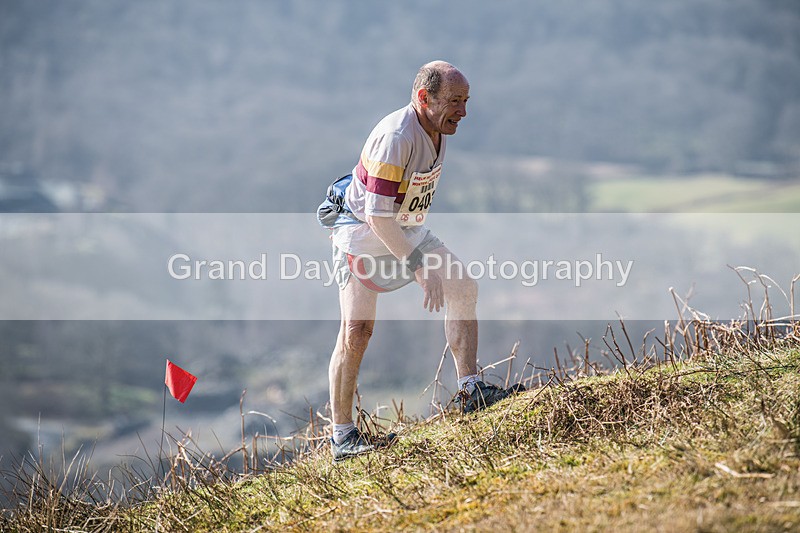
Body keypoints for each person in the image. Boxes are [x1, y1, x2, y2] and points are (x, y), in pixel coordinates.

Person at [326, 60, 520, 462]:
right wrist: (418, 266)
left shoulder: (438, 126)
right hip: (363, 232)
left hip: (403, 228)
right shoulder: (397, 137)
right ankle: (342, 437)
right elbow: (378, 217)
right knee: (356, 331)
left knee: (463, 288)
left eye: (466, 101)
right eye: (454, 101)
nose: (463, 112)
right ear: (423, 98)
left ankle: (471, 390)